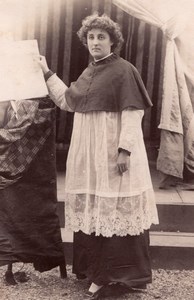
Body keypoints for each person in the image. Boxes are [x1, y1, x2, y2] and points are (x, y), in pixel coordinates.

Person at [38, 13, 159, 299]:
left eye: (101, 37)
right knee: (95, 211)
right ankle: (95, 271)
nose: (95, 42)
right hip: (89, 155)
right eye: (91, 37)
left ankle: (118, 276)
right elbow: (68, 101)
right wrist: (46, 72)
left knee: (113, 210)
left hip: (111, 152)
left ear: (112, 41)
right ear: (86, 41)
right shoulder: (88, 71)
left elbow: (133, 112)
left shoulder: (124, 70)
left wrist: (124, 150)